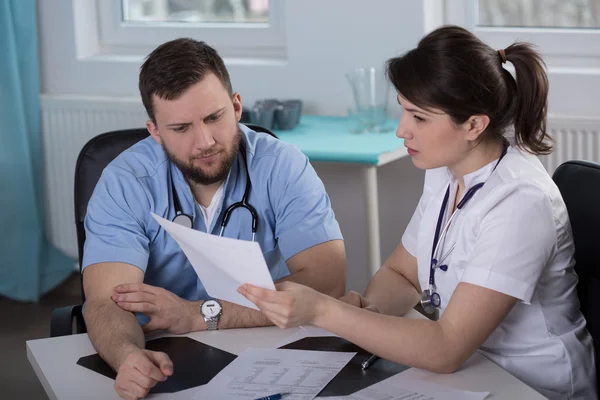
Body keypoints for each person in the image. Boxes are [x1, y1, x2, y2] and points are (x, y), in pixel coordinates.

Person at [239, 26, 598, 399]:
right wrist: (372, 311)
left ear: (474, 125)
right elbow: (402, 274)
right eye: (403, 110)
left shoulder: (522, 202)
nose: (401, 130)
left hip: (532, 386)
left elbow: (446, 348)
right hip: (470, 372)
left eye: (419, 117)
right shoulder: (446, 171)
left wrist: (324, 311)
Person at [81, 38, 346, 400]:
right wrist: (129, 356)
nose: (204, 141)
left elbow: (327, 282)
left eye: (213, 117)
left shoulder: (282, 166)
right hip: (166, 353)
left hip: (272, 348)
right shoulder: (125, 182)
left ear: (237, 107)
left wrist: (200, 314)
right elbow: (107, 301)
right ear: (155, 131)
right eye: (180, 128)